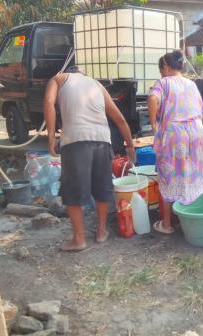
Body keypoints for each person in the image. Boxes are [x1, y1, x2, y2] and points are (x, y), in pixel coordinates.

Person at [44, 66, 136, 251]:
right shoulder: (96, 84)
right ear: (82, 73)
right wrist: (130, 145)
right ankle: (101, 232)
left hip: (75, 139)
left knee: (73, 192)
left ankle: (79, 239)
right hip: (102, 140)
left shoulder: (58, 78)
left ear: (69, 72)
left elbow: (48, 102)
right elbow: (120, 119)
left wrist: (51, 136)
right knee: (102, 188)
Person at [148, 50, 203, 234]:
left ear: (166, 67)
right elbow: (202, 111)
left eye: (161, 70)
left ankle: (167, 224)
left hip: (175, 135)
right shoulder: (191, 84)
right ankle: (196, 219)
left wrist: (153, 124)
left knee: (169, 175)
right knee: (194, 173)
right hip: (196, 132)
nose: (161, 74)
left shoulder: (164, 82)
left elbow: (153, 98)